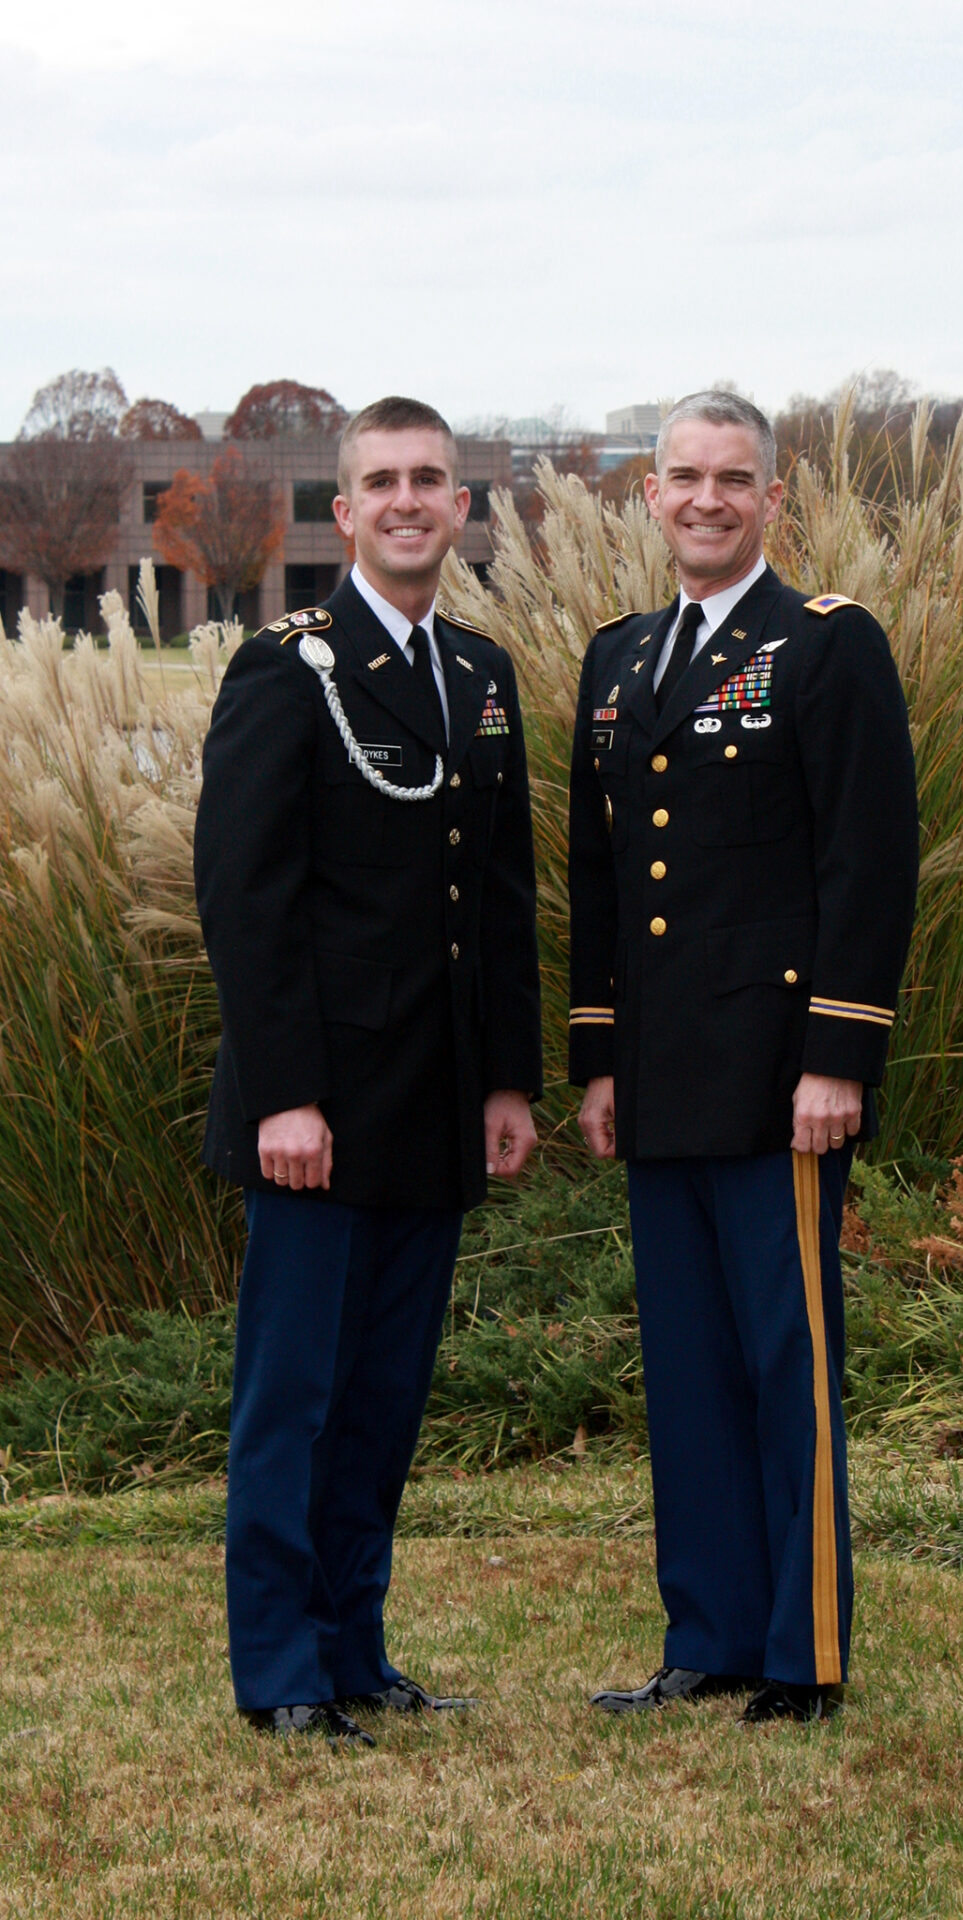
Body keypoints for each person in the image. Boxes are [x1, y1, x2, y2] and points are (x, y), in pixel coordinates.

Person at [194, 396, 542, 1746]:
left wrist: (505, 1079)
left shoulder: (481, 670)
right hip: (319, 1109)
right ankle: (280, 1663)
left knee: (386, 1396)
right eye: (381, 482)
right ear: (342, 512)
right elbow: (246, 894)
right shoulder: (290, 664)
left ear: (460, 508)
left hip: (437, 1099)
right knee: (296, 1397)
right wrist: (284, 1090)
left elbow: (498, 897)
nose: (408, 501)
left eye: (431, 481)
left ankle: (354, 1645)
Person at [568, 390, 918, 1723]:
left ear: (774, 500)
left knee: (785, 1361)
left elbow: (866, 864)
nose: (706, 499)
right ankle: (706, 1634)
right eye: (683, 477)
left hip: (779, 1079)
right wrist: (596, 1056)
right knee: (691, 1368)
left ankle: (800, 1651)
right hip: (661, 1077)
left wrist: (838, 1055)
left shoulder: (823, 649)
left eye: (733, 479)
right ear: (647, 497)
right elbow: (598, 878)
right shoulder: (619, 657)